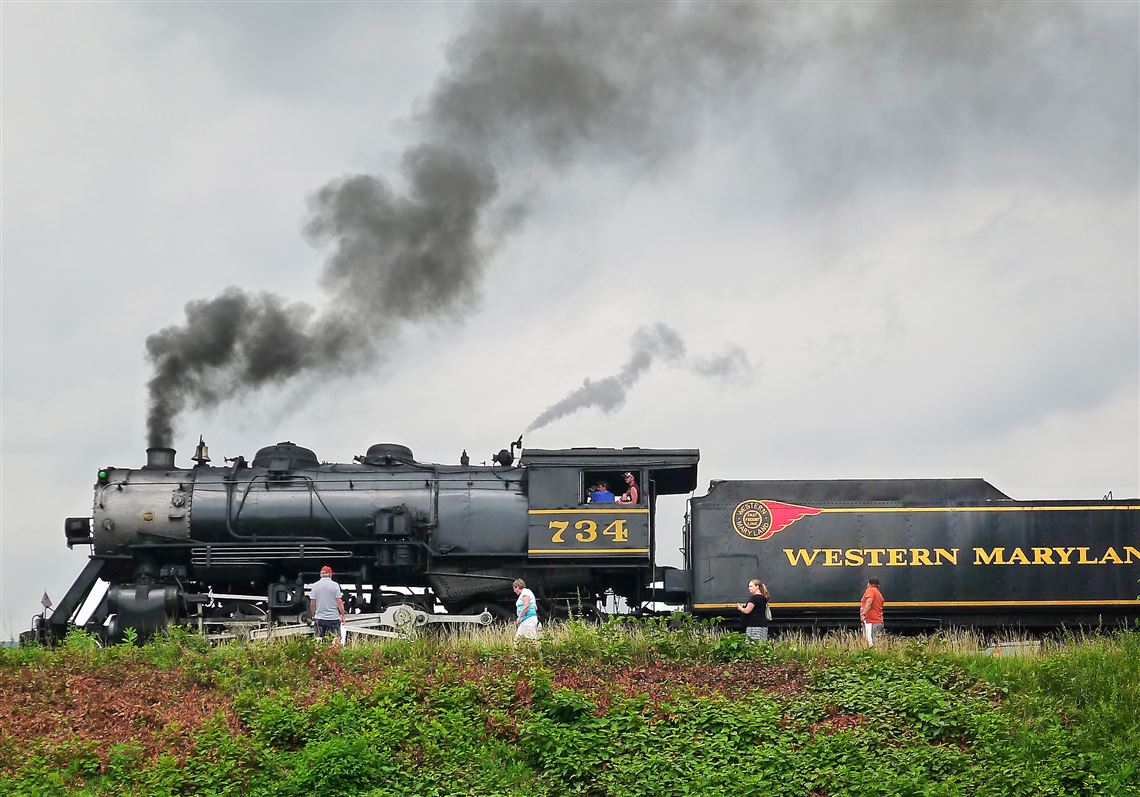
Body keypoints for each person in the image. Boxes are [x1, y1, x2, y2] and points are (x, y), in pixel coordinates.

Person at [309, 565, 346, 642]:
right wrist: (342, 615)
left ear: (320, 575)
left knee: (318, 642)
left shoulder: (315, 586)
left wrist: (313, 616)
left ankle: (319, 653)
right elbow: (339, 602)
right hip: (333, 618)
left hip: (319, 618)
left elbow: (312, 603)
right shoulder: (335, 585)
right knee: (335, 641)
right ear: (330, 574)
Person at [860, 577, 885, 647]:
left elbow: (869, 602)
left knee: (870, 644)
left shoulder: (870, 590)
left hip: (870, 622)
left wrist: (863, 614)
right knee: (877, 643)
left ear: (868, 584)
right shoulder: (879, 593)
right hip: (878, 621)